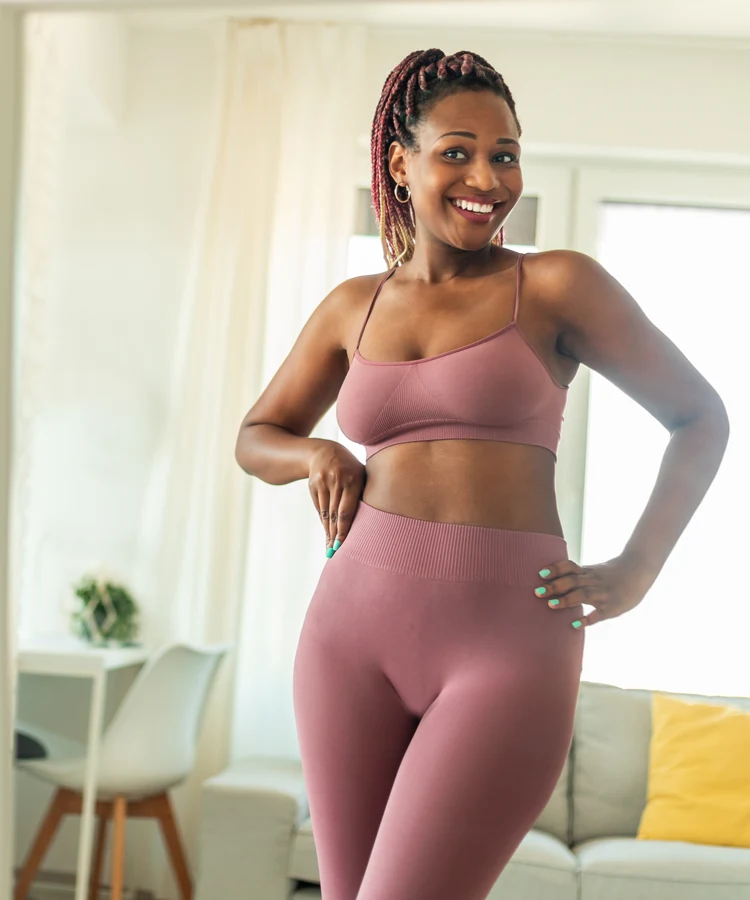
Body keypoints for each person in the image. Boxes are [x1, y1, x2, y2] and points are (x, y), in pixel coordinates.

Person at [234, 48, 730, 900]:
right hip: (348, 635)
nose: (487, 177)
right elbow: (257, 434)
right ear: (402, 162)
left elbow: (700, 418)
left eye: (505, 155)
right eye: (457, 151)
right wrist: (316, 452)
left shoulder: (556, 287)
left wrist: (637, 569)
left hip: (509, 645)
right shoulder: (353, 306)